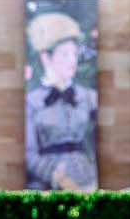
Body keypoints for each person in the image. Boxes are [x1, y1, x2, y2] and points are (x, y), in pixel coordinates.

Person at [25, 11, 97, 189]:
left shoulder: (87, 97)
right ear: (46, 58)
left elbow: (94, 144)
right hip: (47, 186)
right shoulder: (32, 101)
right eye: (64, 54)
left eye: (74, 53)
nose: (72, 60)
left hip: (88, 183)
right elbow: (30, 154)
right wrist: (61, 180)